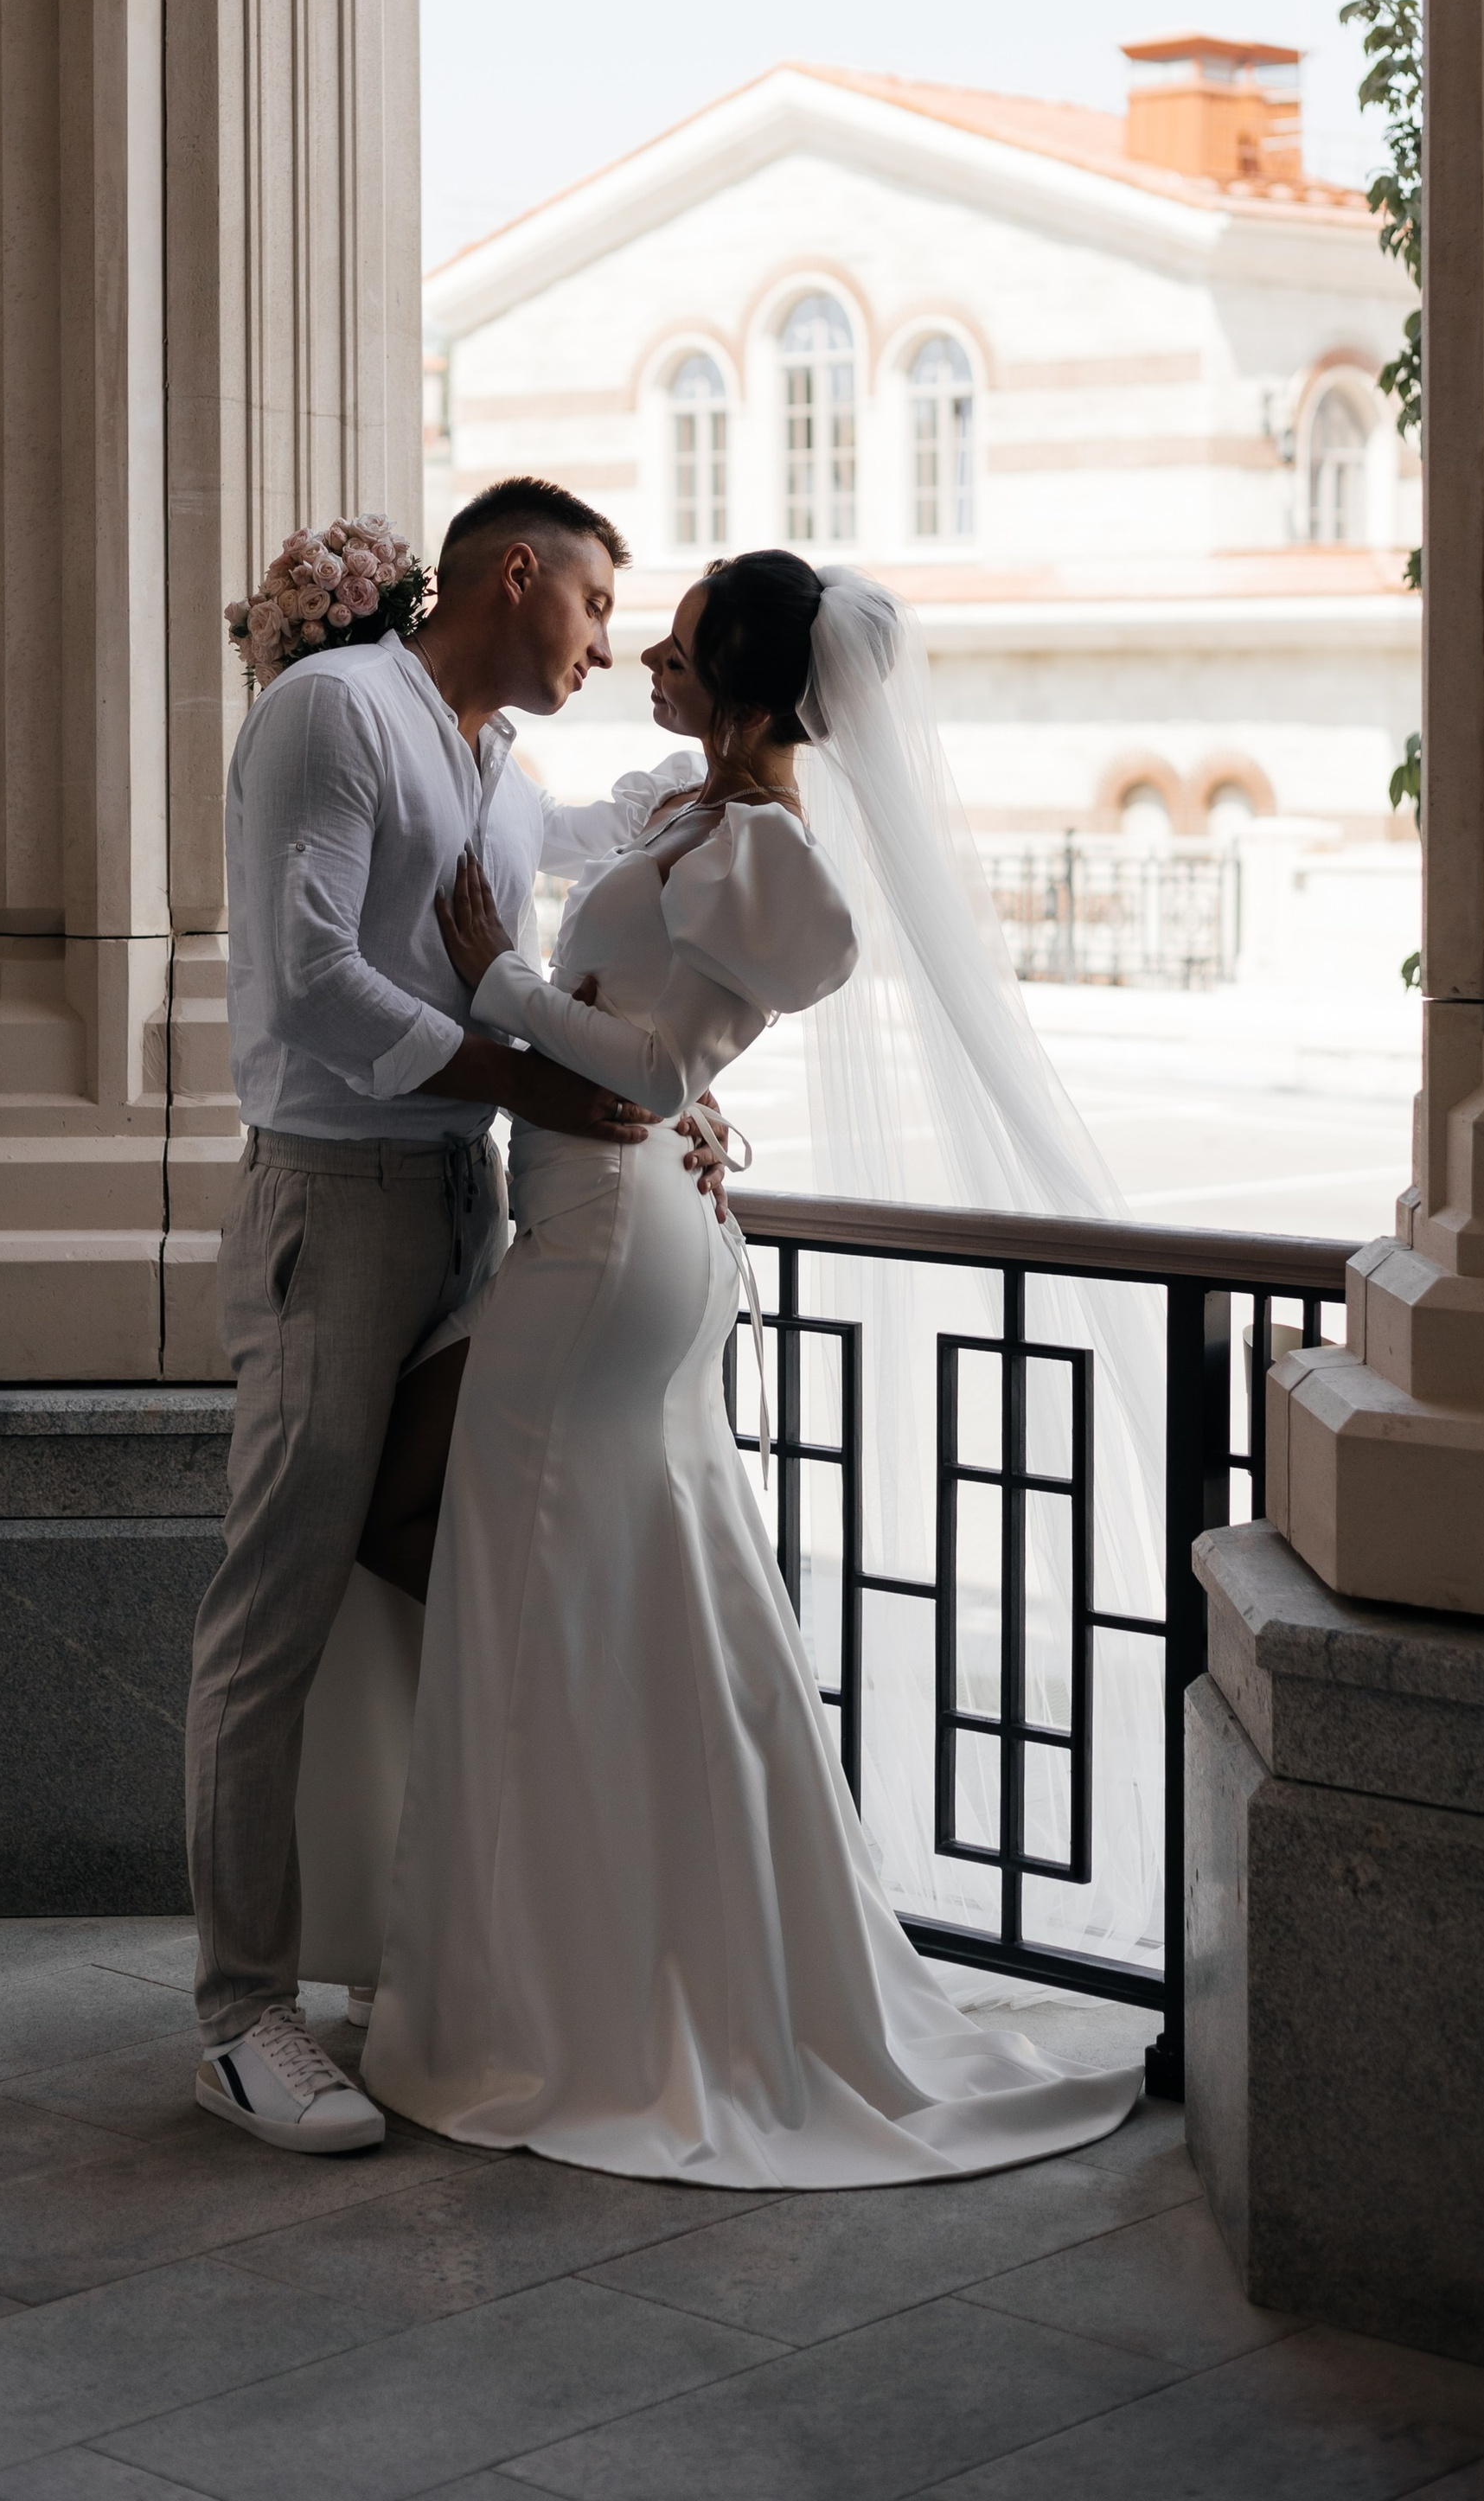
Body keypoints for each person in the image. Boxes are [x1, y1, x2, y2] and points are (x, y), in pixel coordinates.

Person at [355, 550, 1148, 2186]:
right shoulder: (689, 820)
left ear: (754, 687)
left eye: (684, 634)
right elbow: (666, 1040)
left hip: (602, 1255)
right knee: (616, 1596)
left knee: (530, 1579)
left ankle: (562, 2003)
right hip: (604, 1224)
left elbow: (659, 1055)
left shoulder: (772, 856)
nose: (649, 648)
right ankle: (608, 1956)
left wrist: (505, 979)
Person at [186, 477, 703, 2159]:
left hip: (466, 1209)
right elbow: (314, 977)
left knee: (447, 1556)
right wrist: (521, 1070)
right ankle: (239, 2015)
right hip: (329, 1210)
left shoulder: (496, 768)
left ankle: (402, 1947)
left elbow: (622, 839)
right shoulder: (331, 711)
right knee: (269, 1610)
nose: (606, 644)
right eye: (597, 607)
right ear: (516, 572)